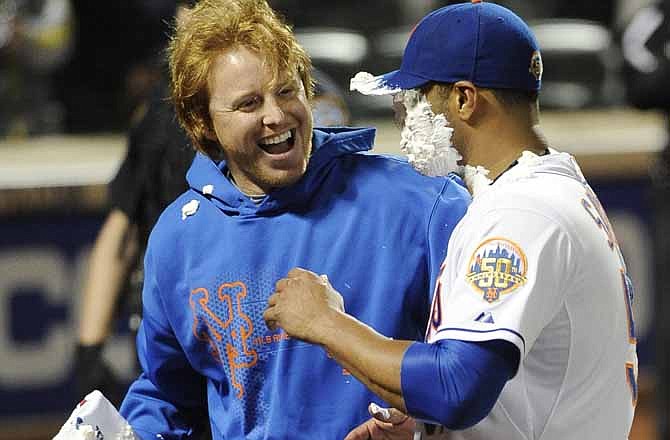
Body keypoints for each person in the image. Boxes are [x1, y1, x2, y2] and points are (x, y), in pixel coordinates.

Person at [264, 1, 639, 439]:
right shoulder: (552, 187)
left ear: (464, 99)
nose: (406, 115)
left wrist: (326, 323)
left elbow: (456, 388)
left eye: (418, 97)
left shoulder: (521, 212)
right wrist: (428, 428)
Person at [117, 0, 470, 438]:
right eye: (248, 104)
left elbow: (486, 377)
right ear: (202, 122)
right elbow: (167, 398)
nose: (276, 116)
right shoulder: (177, 238)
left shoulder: (424, 206)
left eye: (287, 91)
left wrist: (423, 428)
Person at [72, 0, 354, 407]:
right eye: (189, 7)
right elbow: (123, 231)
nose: (191, 20)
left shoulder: (310, 100)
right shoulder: (163, 112)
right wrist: (89, 348)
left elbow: (338, 215)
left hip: (289, 334)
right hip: (193, 333)